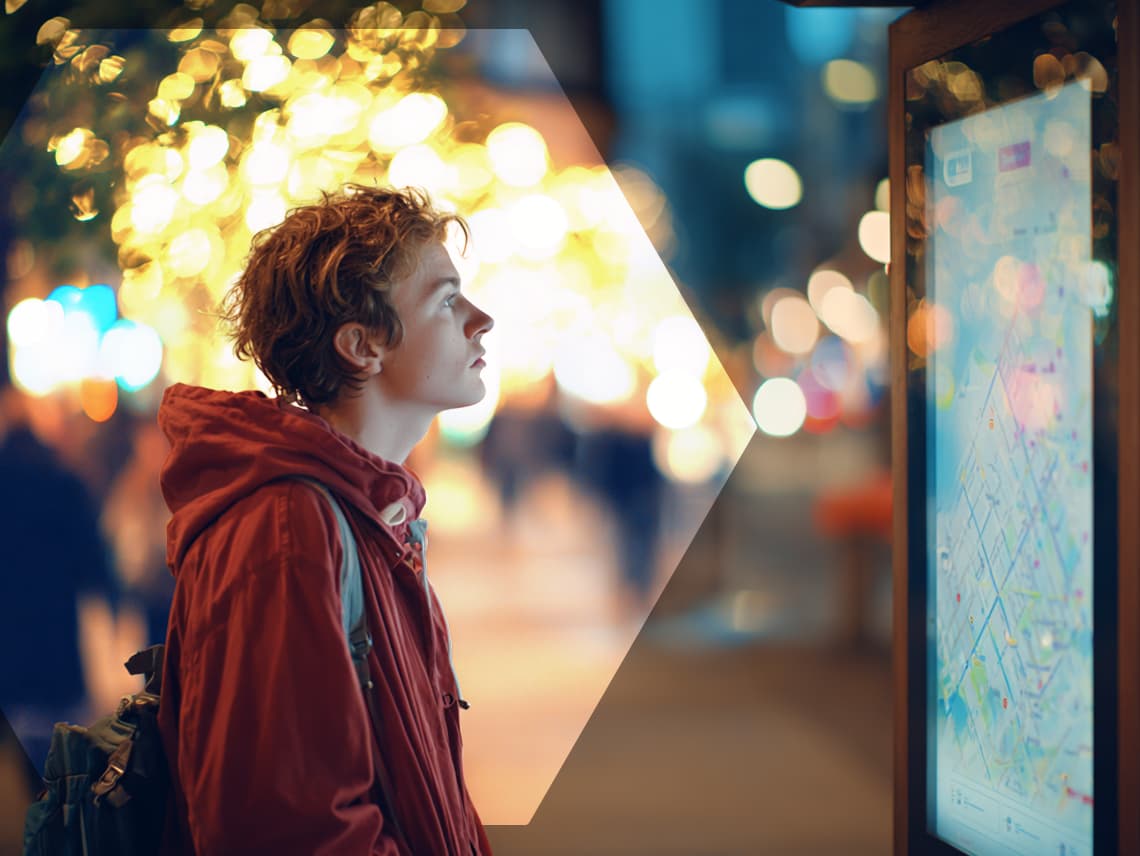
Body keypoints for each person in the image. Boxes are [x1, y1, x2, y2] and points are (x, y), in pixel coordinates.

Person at [156, 185, 495, 855]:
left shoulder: (370, 515)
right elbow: (290, 829)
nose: (481, 320)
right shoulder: (285, 527)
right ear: (362, 346)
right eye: (447, 300)